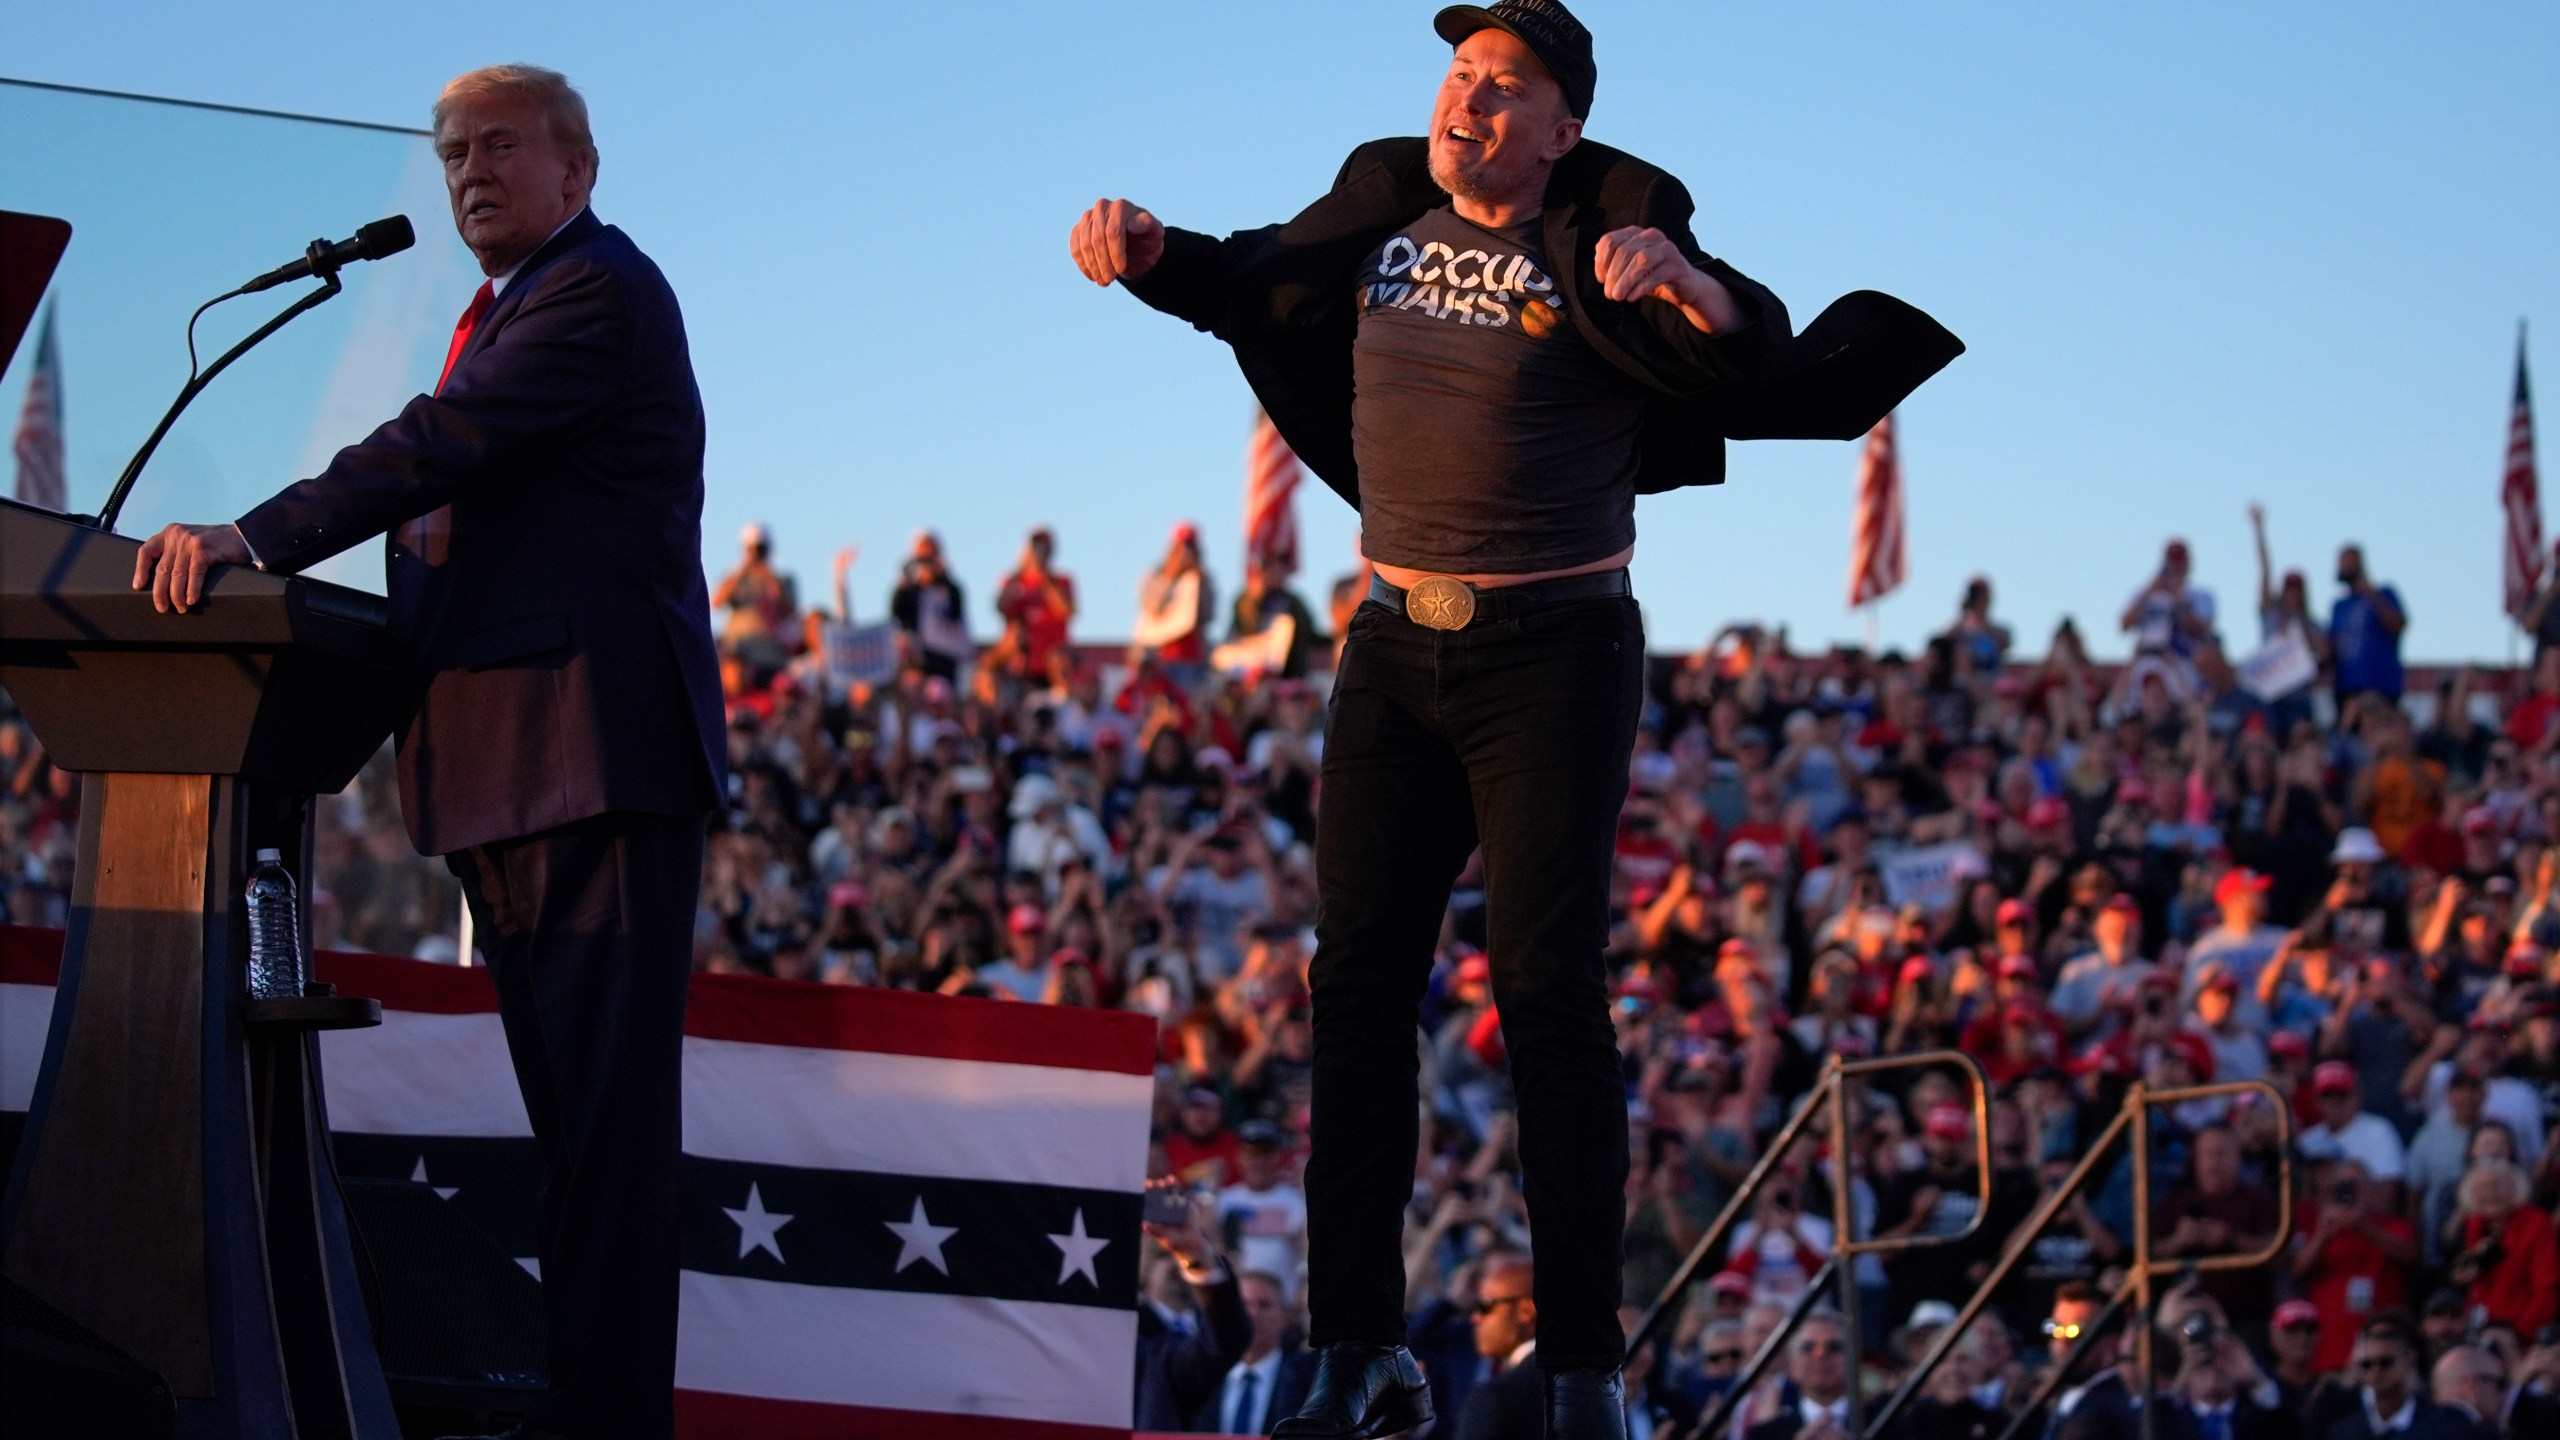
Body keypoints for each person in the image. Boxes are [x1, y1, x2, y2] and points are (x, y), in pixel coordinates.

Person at [1069, 4, 1960, 1435]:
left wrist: (1681, 282)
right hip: (1389, 648)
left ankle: (1584, 1372)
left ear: (1562, 128)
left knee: (1547, 996)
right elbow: (1260, 280)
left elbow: (1757, 347)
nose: (1470, 98)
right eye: (1460, 73)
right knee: (1354, 987)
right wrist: (1152, 252)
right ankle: (1359, 1349)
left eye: (1507, 84)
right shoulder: (1381, 201)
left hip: (1554, 652)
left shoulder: (1620, 217)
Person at [135, 65, 720, 1440]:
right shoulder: (505, 313)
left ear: (579, 172)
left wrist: (252, 537)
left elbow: (440, 445)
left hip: (593, 763)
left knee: (606, 1147)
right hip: (513, 770)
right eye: (453, 151)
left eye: (501, 147)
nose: (468, 172)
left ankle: (608, 1422)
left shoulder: (594, 292)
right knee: (572, 1139)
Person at [1137, 1178, 1255, 1432]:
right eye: (1161, 1255)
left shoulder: (1161, 1361)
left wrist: (1194, 1254)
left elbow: (1228, 1338)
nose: (1174, 1269)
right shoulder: (1131, 1338)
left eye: (1175, 1256)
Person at [1197, 1270, 1321, 1434]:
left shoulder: (1310, 1379)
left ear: (1286, 1316)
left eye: (1264, 1305)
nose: (1253, 1314)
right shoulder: (1202, 1376)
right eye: (1244, 1304)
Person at [2321, 1321, 2480, 1440]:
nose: (2376, 1371)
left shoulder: (2437, 1425)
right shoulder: (2344, 1432)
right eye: (2367, 1365)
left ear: (2410, 1360)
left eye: (2386, 1362)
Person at [1457, 1253, 1547, 1440]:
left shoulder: (1495, 1398)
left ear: (1526, 1310)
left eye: (1485, 1306)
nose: (1475, 1318)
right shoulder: (1596, 1385)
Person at [1741, 1311, 1856, 1440]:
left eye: (1833, 1347)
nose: (1820, 1355)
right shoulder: (1764, 1435)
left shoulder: (1880, 1419)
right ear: (1792, 1364)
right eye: (1808, 1347)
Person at [991, 525, 1078, 684]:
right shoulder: (1013, 581)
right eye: (1034, 546)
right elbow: (999, 607)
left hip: (1051, 668)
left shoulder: (1062, 581)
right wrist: (1020, 569)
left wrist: (1044, 575)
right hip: (1020, 666)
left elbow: (1067, 611)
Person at [2327, 546, 2407, 707]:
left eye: (2347, 562)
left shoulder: (2384, 593)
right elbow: (2331, 646)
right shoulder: (2339, 606)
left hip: (2381, 686)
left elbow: (2397, 624)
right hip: (2347, 688)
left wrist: (2368, 591)